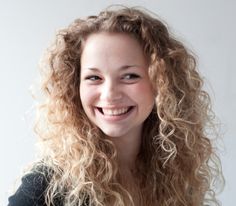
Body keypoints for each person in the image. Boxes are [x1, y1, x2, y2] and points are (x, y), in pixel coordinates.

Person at [8, 6, 224, 206]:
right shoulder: (45, 187)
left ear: (161, 83)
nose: (110, 94)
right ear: (76, 86)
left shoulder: (174, 174)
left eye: (130, 76)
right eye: (94, 77)